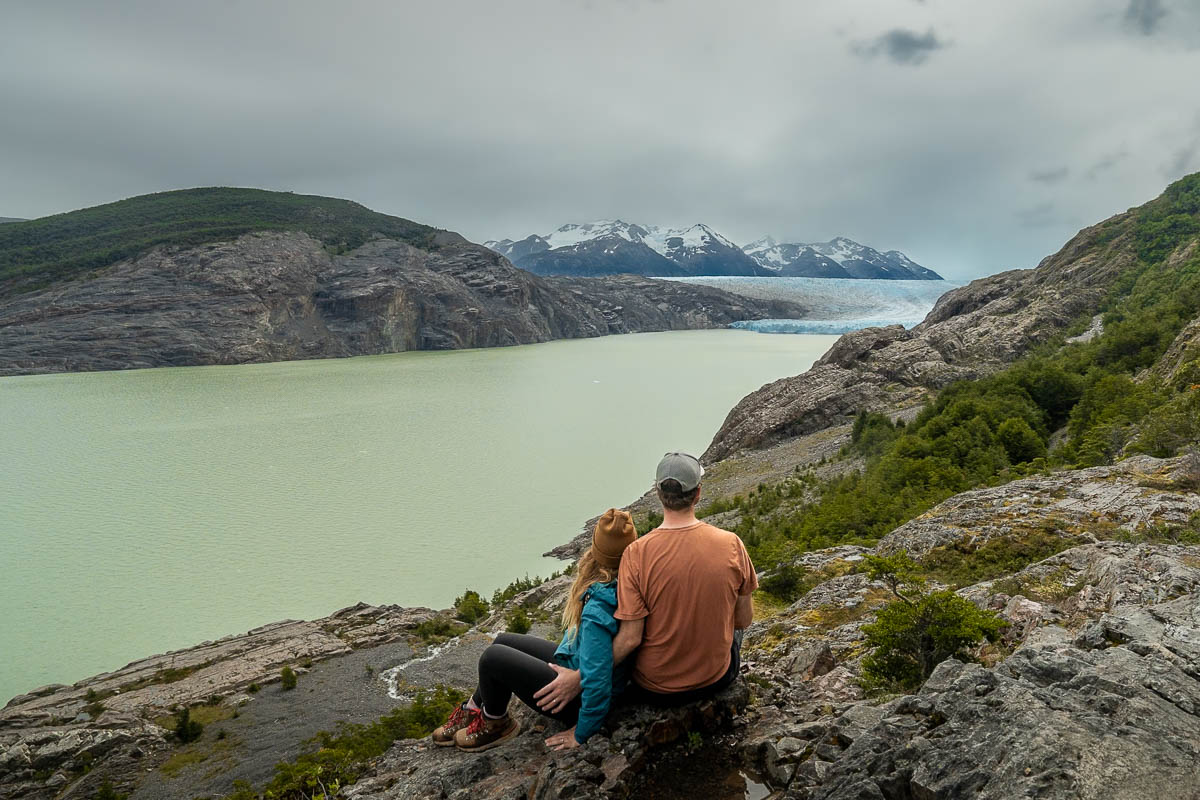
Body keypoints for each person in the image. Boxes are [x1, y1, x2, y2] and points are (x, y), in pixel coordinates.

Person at [534, 452, 756, 713]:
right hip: (714, 680)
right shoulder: (732, 543)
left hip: (656, 689)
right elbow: (743, 620)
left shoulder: (636, 554)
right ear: (697, 494)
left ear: (658, 493)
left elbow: (629, 639)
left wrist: (580, 678)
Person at [432, 508, 638, 752]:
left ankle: (496, 723)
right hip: (579, 669)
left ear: (595, 552)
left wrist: (581, 733)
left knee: (492, 659)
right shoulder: (628, 581)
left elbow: (598, 679)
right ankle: (474, 709)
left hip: (575, 701)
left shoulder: (598, 609)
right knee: (502, 641)